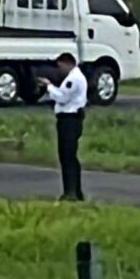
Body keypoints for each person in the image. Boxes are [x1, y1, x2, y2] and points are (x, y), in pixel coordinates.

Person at [46, 51, 89, 201]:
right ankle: (75, 191)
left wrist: (49, 86)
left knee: (68, 156)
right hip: (71, 119)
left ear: (68, 63)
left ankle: (71, 192)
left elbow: (62, 97)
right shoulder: (75, 77)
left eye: (61, 66)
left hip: (70, 119)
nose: (60, 70)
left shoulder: (73, 79)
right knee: (69, 156)